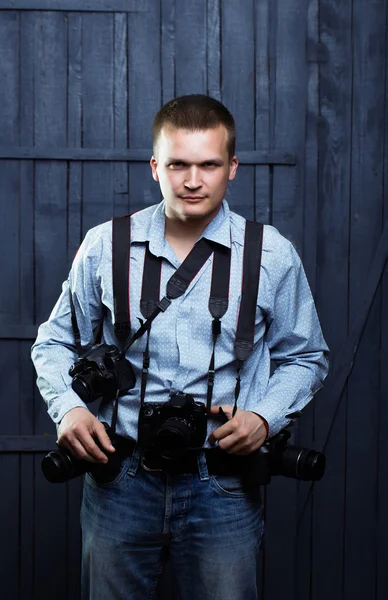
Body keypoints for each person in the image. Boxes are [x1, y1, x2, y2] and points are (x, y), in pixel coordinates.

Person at [31, 94, 329, 600]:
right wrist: (69, 410)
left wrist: (265, 416)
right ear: (155, 166)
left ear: (232, 167)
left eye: (209, 164)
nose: (193, 180)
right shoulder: (105, 245)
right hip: (119, 479)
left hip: (223, 485)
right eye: (178, 164)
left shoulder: (272, 254)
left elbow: (307, 356)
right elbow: (54, 342)